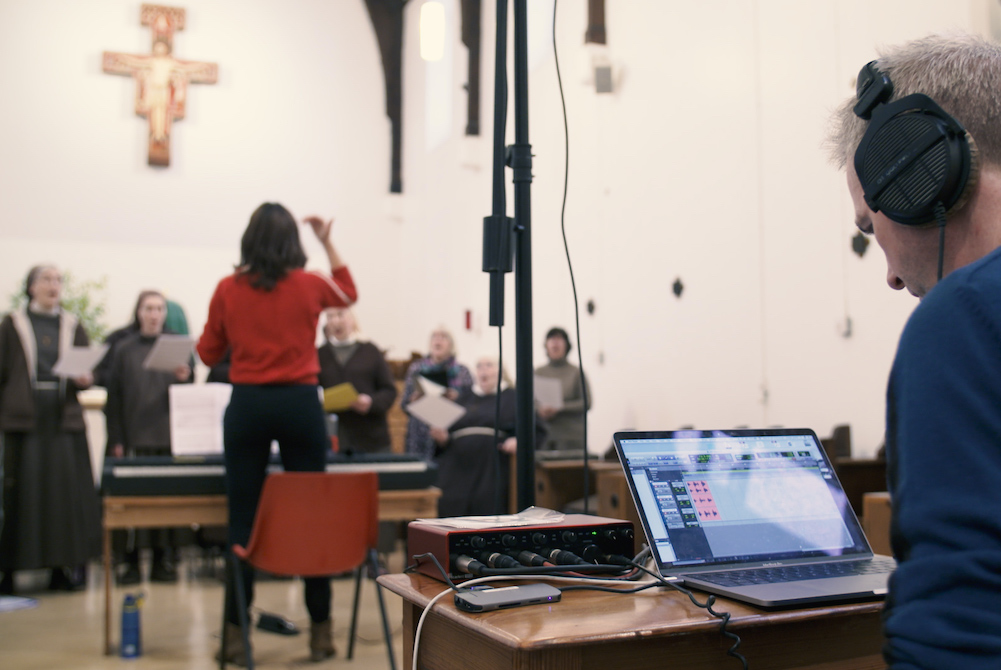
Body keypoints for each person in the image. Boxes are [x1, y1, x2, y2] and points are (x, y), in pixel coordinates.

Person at [827, 33, 1001, 668]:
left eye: (872, 228)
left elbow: (959, 638)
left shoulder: (966, 320)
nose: (894, 277)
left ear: (919, 167)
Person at [196, 203, 357, 664]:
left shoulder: (228, 288)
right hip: (300, 405)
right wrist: (327, 239)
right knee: (312, 517)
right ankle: (321, 634)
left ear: (249, 240)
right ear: (294, 242)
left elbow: (208, 354)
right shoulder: (308, 284)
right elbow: (347, 292)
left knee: (242, 522)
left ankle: (233, 637)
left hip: (247, 405)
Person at [0, 265, 101, 594]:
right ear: (30, 287)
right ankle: (10, 570)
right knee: (21, 494)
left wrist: (86, 378)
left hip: (62, 418)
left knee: (61, 495)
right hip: (24, 419)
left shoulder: (72, 326)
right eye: (46, 279)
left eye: (58, 279)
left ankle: (61, 568)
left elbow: (88, 371)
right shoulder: (12, 325)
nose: (53, 285)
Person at [104, 290, 193, 585]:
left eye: (159, 309)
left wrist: (186, 377)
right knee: (132, 506)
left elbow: (189, 389)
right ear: (139, 312)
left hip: (167, 436)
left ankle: (161, 562)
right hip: (133, 435)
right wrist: (116, 437)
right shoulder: (124, 349)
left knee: (164, 504)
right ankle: (129, 564)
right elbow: (113, 397)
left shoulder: (177, 346)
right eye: (148, 308)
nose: (154, 314)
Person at [430, 355, 544, 517]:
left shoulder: (514, 397)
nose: (483, 370)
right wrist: (443, 438)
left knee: (487, 498)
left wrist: (519, 441)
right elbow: (448, 431)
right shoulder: (464, 398)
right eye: (479, 366)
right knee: (447, 496)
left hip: (493, 461)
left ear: (500, 371)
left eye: (489, 365)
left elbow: (537, 429)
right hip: (458, 461)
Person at [317, 307, 397, 453]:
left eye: (340, 315)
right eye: (330, 317)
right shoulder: (320, 354)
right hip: (335, 438)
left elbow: (389, 391)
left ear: (352, 319)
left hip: (371, 438)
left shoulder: (370, 351)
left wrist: (371, 402)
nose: (335, 321)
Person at [400, 327, 473, 461]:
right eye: (434, 337)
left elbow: (471, 406)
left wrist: (456, 398)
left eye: (443, 337)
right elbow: (404, 404)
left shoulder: (462, 372)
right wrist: (414, 400)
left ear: (451, 344)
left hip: (449, 435)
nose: (438, 340)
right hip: (419, 435)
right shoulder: (416, 368)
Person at [535, 327, 591, 452]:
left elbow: (586, 402)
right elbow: (528, 402)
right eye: (551, 339)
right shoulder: (538, 372)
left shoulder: (576, 372)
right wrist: (539, 409)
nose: (555, 342)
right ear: (546, 346)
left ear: (567, 345)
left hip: (572, 437)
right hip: (545, 436)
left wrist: (560, 407)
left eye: (559, 338)